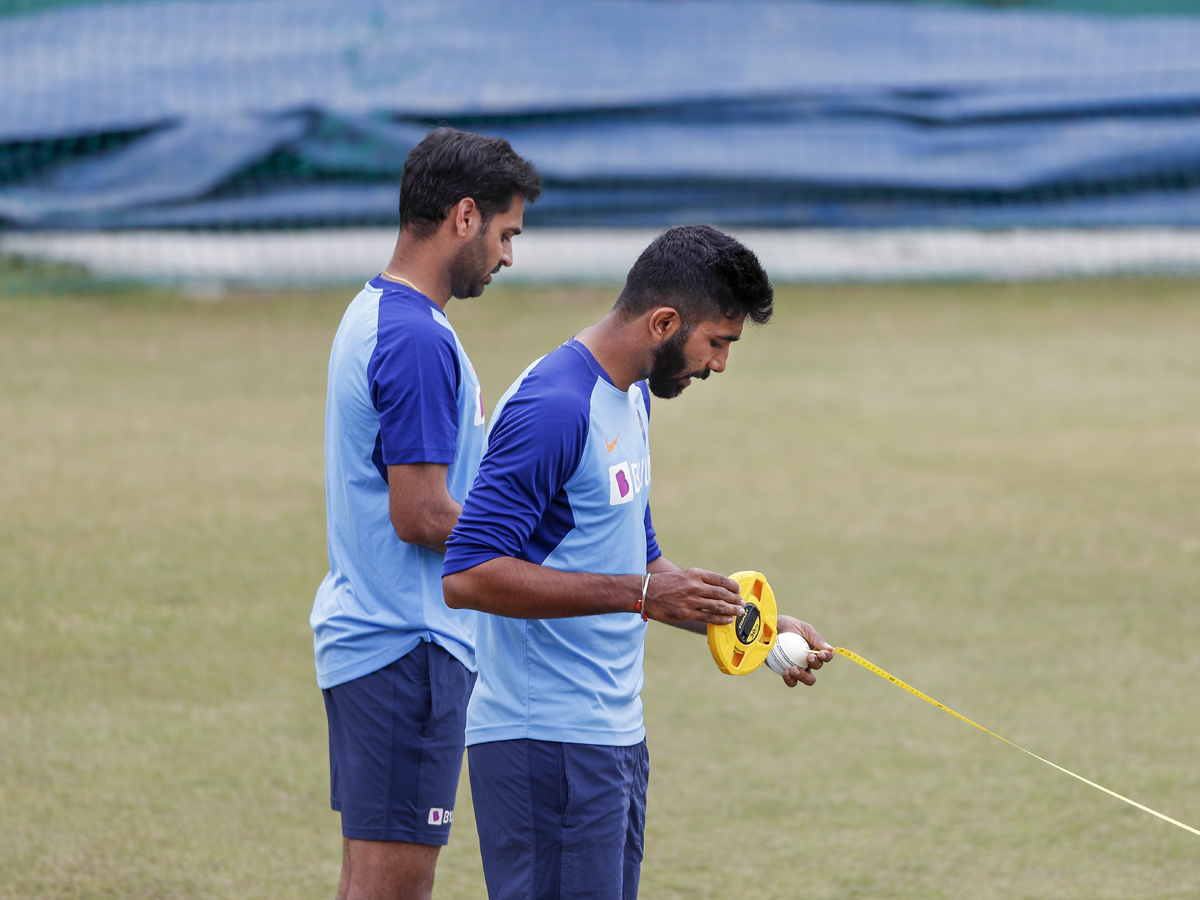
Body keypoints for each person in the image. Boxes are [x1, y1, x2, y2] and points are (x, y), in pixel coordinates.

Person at [441, 225, 835, 900]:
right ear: (664, 321)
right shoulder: (553, 408)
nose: (719, 365)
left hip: (611, 736)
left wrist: (749, 620)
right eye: (719, 342)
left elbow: (642, 563)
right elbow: (468, 574)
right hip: (546, 742)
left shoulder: (631, 395)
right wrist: (641, 594)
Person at [310, 126, 541, 900]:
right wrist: (527, 542)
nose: (508, 255)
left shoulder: (380, 313)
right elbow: (420, 512)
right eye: (506, 233)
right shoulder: (414, 338)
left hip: (380, 643)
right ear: (464, 217)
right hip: (407, 650)